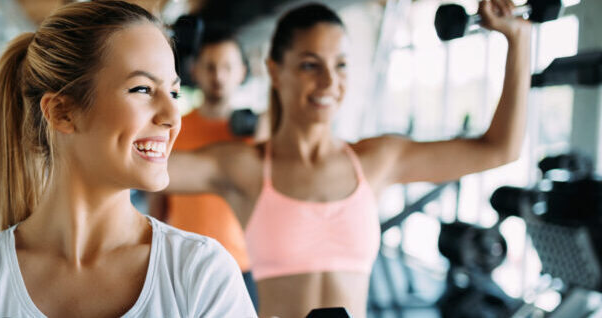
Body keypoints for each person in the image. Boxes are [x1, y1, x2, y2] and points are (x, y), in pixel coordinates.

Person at [165, 1, 531, 317]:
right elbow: (130, 164)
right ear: (275, 70)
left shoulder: (378, 160)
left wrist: (519, 41)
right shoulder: (243, 167)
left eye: (340, 65)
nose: (329, 82)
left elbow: (499, 149)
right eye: (310, 65)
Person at [0, 1, 256, 317]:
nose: (172, 116)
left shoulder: (201, 273)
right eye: (142, 89)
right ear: (62, 113)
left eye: (174, 92)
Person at [148, 31, 260, 309]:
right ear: (194, 70)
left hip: (243, 267)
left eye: (227, 67)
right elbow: (158, 200)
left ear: (241, 72)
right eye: (210, 66)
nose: (218, 76)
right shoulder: (172, 128)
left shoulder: (257, 135)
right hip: (183, 265)